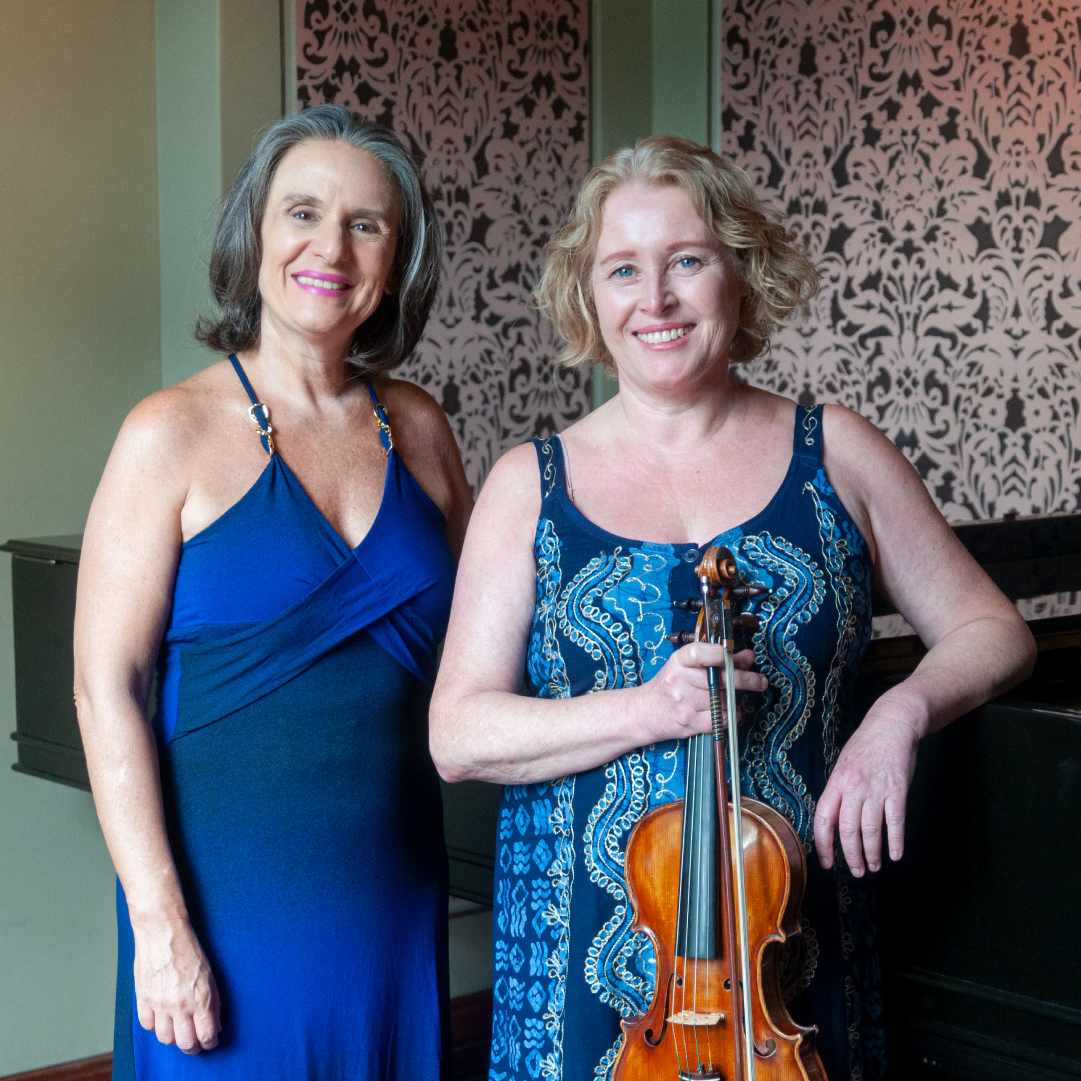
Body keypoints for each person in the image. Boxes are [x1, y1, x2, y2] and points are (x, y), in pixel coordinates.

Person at [429, 136, 1035, 1081]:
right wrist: (646, 710)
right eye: (622, 269)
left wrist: (898, 714)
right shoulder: (528, 485)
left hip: (786, 973)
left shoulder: (834, 451)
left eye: (686, 261)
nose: (656, 299)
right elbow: (457, 734)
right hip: (581, 977)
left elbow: (992, 627)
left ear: (740, 274)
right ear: (590, 297)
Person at [74, 106, 472, 1080]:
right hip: (225, 907)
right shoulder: (166, 432)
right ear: (255, 232)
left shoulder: (417, 425)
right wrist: (158, 920)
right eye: (302, 211)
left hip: (388, 891)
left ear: (397, 260)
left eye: (366, 224)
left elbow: (483, 642)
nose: (328, 247)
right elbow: (103, 687)